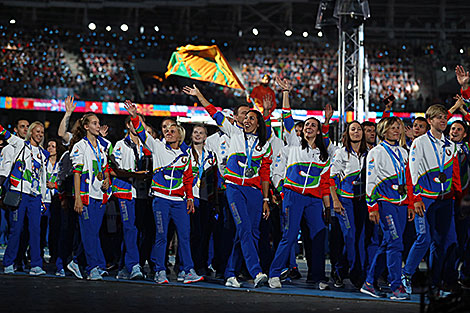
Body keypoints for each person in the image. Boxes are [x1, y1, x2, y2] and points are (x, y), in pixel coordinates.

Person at [183, 84, 271, 288]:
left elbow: (265, 174)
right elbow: (213, 112)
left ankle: (230, 273)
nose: (246, 120)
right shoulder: (234, 132)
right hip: (234, 188)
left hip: (255, 192)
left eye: (251, 118)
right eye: (245, 117)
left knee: (252, 232)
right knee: (244, 228)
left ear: (258, 123)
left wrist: (266, 199)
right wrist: (199, 95)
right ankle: (256, 271)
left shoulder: (264, 144)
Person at [124, 100, 203, 284]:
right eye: (166, 131)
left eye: (172, 131)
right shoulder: (157, 147)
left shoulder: (185, 155)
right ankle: (159, 270)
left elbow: (188, 178)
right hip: (160, 200)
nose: (168, 132)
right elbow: (143, 134)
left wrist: (190, 197)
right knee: (161, 235)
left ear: (180, 135)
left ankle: (188, 270)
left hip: (179, 201)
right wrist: (135, 116)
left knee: (184, 236)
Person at [268, 77, 330, 290]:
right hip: (293, 196)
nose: (308, 127)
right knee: (290, 235)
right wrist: (285, 92)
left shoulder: (324, 153)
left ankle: (319, 276)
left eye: (313, 125)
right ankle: (274, 273)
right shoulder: (294, 143)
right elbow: (287, 118)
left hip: (313, 200)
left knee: (319, 234)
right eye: (306, 125)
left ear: (319, 130)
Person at [406, 104, 461, 295]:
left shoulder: (450, 145)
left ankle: (435, 284)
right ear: (430, 121)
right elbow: (413, 172)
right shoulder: (419, 142)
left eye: (445, 117)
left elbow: (454, 176)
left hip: (445, 201)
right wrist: (416, 199)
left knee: (444, 243)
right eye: (438, 118)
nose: (443, 120)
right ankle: (405, 277)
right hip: (425, 200)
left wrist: (457, 197)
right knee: (423, 239)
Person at [361, 117, 415, 300]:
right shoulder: (376, 152)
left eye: (398, 127)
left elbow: (408, 180)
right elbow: (371, 180)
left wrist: (409, 203)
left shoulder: (403, 152)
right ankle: (395, 287)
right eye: (393, 128)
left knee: (389, 243)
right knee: (395, 243)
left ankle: (369, 282)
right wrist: (372, 207)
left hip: (401, 203)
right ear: (383, 131)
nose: (397, 131)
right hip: (385, 203)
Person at [1, 121, 48, 276]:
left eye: (42, 132)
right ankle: (8, 263)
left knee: (35, 230)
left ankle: (35, 265)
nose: (40, 135)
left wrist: (42, 196)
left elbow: (42, 177)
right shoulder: (20, 144)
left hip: (35, 197)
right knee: (16, 229)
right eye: (37, 131)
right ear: (31, 132)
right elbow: (4, 133)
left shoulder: (42, 153)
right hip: (19, 194)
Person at [70, 113, 112, 280]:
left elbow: (105, 168)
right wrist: (78, 198)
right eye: (94, 123)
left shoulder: (101, 147)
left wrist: (107, 179)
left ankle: (76, 261)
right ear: (86, 127)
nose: (98, 126)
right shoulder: (80, 146)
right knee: (89, 233)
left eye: (98, 123)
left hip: (99, 195)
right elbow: (77, 174)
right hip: (86, 196)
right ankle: (92, 267)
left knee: (92, 232)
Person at [330, 121, 368, 288]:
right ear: (347, 133)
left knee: (358, 240)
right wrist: (336, 201)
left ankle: (341, 270)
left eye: (359, 129)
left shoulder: (370, 153)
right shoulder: (340, 153)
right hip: (345, 201)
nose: (356, 132)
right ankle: (352, 273)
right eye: (353, 129)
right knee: (349, 236)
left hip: (362, 202)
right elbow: (331, 179)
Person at [110, 116, 148, 280]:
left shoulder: (147, 146)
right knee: (129, 228)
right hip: (125, 191)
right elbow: (114, 170)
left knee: (137, 230)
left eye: (140, 122)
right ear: (127, 125)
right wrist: (134, 174)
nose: (137, 125)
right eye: (133, 122)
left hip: (142, 193)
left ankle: (124, 267)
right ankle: (133, 265)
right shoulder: (120, 144)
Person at [188, 124, 217, 276]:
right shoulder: (185, 153)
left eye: (201, 133)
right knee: (192, 233)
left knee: (205, 234)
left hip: (205, 198)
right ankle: (187, 264)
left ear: (206, 137)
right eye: (195, 132)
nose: (198, 135)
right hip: (190, 198)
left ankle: (202, 264)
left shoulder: (211, 155)